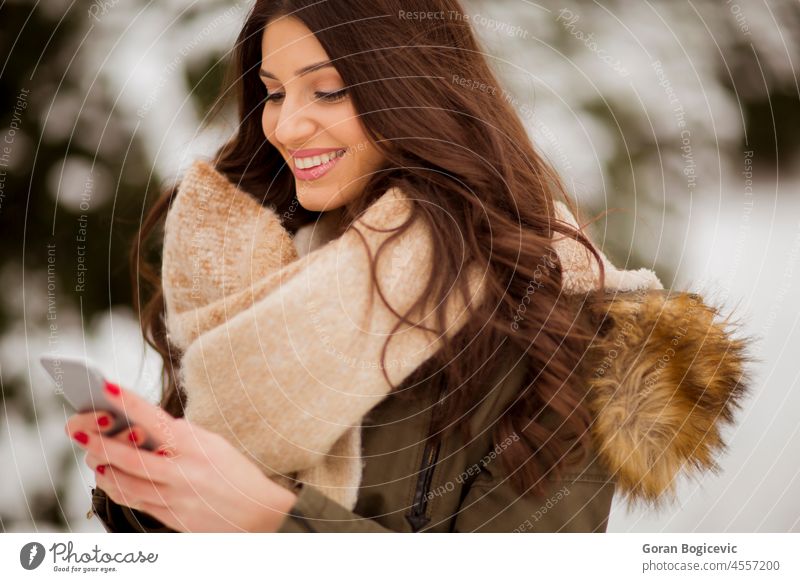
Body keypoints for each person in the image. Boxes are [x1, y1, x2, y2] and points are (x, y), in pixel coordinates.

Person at [65, 0, 753, 533]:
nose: (286, 124)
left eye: (327, 90)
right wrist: (147, 495)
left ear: (417, 92)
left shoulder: (554, 328)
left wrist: (268, 518)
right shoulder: (254, 271)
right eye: (274, 91)